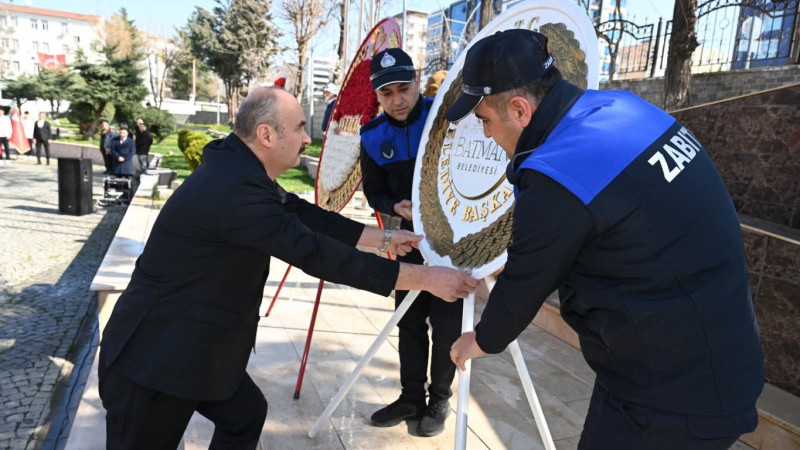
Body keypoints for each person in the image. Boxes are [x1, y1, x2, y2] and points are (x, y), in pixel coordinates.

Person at [98, 86, 478, 450]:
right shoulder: (235, 193)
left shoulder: (238, 166)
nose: (306, 138)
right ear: (266, 134)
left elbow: (299, 213)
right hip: (155, 361)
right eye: (298, 128)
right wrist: (426, 278)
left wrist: (381, 239)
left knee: (245, 416)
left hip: (195, 348)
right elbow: (315, 253)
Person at [447, 30, 764, 450]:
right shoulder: (622, 108)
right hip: (718, 358)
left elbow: (524, 283)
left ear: (520, 109)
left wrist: (480, 340)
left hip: (668, 398)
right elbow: (624, 222)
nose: (486, 135)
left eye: (485, 119)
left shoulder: (559, 169)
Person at [359, 48, 462, 438]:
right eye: (387, 93)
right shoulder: (371, 137)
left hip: (454, 244)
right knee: (409, 322)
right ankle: (410, 398)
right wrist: (393, 205)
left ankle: (439, 400)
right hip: (410, 242)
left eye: (404, 88)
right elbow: (374, 191)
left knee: (447, 325)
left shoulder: (447, 119)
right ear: (378, 97)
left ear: (418, 83)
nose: (398, 99)